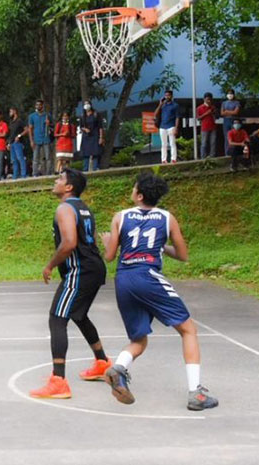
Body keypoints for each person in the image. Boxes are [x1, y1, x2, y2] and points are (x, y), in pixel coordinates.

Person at [99, 172, 218, 411]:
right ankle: (195, 392)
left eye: (134, 188)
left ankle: (119, 368)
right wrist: (161, 246)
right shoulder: (167, 218)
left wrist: (107, 242)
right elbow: (183, 255)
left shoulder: (120, 217)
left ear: (139, 195)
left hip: (124, 279)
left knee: (138, 340)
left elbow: (110, 256)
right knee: (188, 330)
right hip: (148, 276)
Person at [30, 169, 110, 399]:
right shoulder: (84, 208)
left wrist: (50, 265)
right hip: (94, 267)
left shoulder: (64, 208)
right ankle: (102, 363)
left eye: (60, 179)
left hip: (80, 270)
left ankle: (58, 381)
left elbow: (69, 243)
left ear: (68, 187)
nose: (55, 181)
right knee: (79, 315)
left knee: (57, 318)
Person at [155, 90, 180, 164]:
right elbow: (155, 114)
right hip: (162, 126)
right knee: (164, 144)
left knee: (172, 143)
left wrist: (176, 128)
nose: (167, 97)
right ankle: (163, 159)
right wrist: (160, 104)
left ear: (171, 96)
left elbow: (177, 117)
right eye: (165, 95)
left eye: (168, 95)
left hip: (171, 126)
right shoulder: (163, 105)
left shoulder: (175, 105)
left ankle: (173, 159)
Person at [29, 100, 53, 176]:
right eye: (37, 105)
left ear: (42, 106)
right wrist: (31, 140)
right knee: (35, 158)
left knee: (48, 157)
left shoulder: (47, 115)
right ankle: (35, 173)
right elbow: (30, 128)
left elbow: (53, 126)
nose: (38, 106)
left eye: (40, 105)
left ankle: (48, 173)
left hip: (46, 138)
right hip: (36, 139)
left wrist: (49, 124)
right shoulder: (32, 116)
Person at [79, 101, 104, 172]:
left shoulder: (96, 114)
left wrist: (101, 137)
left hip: (95, 135)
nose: (86, 105)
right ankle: (85, 170)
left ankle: (95, 168)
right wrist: (85, 129)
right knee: (86, 154)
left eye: (87, 104)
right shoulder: (82, 115)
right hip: (86, 136)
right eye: (85, 104)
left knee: (95, 152)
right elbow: (81, 126)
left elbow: (100, 127)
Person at [196, 93, 219, 159]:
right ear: (204, 99)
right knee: (204, 143)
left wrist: (215, 113)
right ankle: (203, 157)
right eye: (207, 99)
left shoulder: (213, 107)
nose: (209, 101)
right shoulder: (200, 108)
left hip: (213, 127)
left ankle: (212, 156)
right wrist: (207, 113)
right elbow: (198, 118)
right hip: (204, 127)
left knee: (213, 142)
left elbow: (217, 117)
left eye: (210, 99)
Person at [7, 107, 29, 179]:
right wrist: (8, 143)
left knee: (20, 158)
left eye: (11, 112)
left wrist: (19, 136)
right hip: (12, 143)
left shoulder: (19, 121)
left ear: (14, 111)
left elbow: (26, 129)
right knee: (14, 160)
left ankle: (23, 174)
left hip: (18, 142)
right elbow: (11, 134)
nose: (10, 113)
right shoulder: (11, 122)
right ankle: (15, 175)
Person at [220, 89, 242, 155]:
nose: (230, 95)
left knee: (234, 136)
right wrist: (231, 112)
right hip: (226, 121)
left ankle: (235, 152)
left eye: (231, 93)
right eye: (228, 93)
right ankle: (227, 153)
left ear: (234, 94)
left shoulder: (237, 103)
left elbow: (236, 112)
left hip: (234, 120)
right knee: (226, 137)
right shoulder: (224, 103)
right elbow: (222, 113)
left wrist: (227, 111)